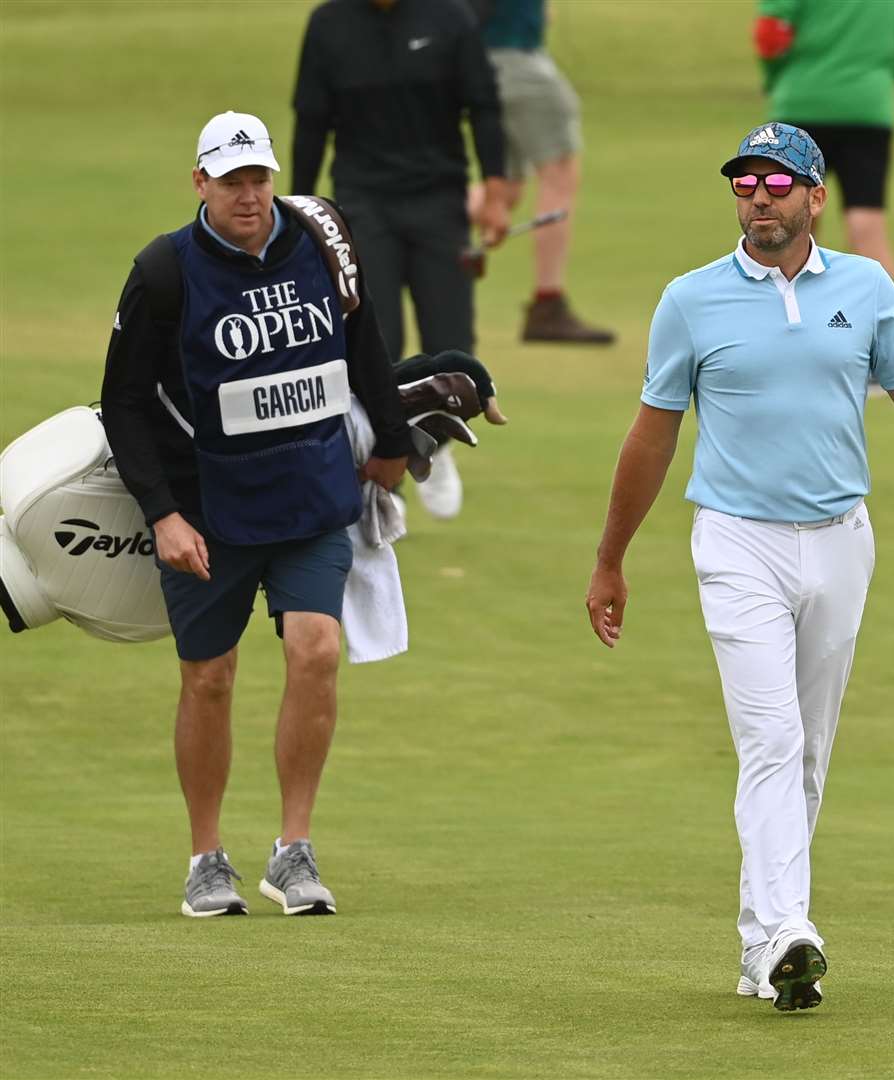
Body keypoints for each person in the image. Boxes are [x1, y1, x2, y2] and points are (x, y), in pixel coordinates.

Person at [584, 124, 894, 1011]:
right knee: (771, 741)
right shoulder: (691, 299)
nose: (758, 195)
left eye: (777, 183)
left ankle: (764, 949)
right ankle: (791, 929)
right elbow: (653, 433)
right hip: (736, 539)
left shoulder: (865, 288)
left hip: (839, 539)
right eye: (745, 181)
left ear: (816, 197)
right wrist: (611, 559)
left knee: (810, 751)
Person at [99, 110, 412, 917]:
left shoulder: (319, 237)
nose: (249, 195)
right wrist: (163, 514)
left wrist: (393, 441)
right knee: (209, 678)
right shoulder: (164, 271)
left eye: (259, 178)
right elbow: (125, 404)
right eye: (231, 180)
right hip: (207, 511)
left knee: (317, 648)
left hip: (313, 495)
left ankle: (293, 850)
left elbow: (363, 338)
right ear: (199, 183)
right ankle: (207, 855)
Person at [292, 0, 513, 519]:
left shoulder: (449, 17)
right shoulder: (329, 24)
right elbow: (311, 122)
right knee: (377, 341)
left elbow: (483, 105)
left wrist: (497, 190)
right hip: (364, 201)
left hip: (440, 199)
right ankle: (384, 467)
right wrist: (299, 211)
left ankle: (436, 445)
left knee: (451, 337)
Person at [753, 0, 894, 281]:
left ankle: (784, 319)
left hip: (800, 104)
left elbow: (770, 34)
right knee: (866, 224)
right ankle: (883, 322)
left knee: (792, 227)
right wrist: (876, 76)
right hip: (867, 108)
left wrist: (776, 78)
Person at [473, 0, 614, 344]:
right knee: (559, 172)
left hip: (485, 58)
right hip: (515, 57)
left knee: (503, 190)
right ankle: (547, 303)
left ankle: (396, 236)